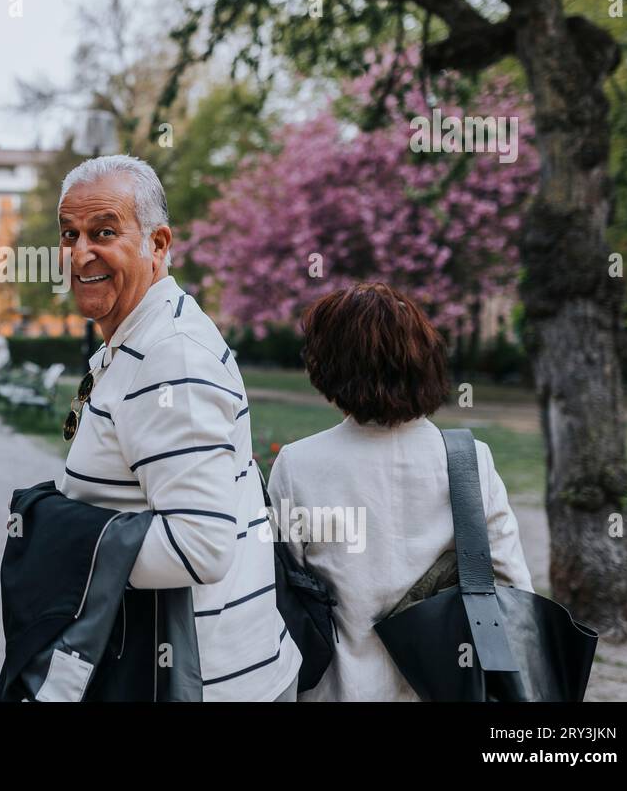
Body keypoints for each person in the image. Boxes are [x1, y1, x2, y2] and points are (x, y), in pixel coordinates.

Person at [54, 154, 301, 701]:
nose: (79, 253)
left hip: (203, 685)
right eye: (69, 235)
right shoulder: (145, 336)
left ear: (158, 245)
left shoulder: (171, 357)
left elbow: (200, 546)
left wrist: (59, 542)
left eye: (104, 232)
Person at [268, 283, 532, 701]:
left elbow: (288, 598)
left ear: (328, 366)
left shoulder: (298, 464)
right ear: (425, 359)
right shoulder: (469, 459)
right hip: (447, 686)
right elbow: (512, 586)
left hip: (338, 689)